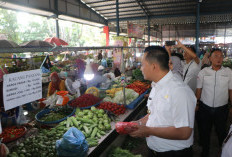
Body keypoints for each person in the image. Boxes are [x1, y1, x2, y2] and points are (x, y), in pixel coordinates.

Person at [128, 46, 196, 157]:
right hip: (155, 150)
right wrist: (139, 123)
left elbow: (184, 132)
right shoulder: (156, 86)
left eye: (142, 65)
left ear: (154, 66)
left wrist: (148, 130)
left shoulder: (179, 91)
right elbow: (154, 114)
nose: (140, 68)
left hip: (174, 153)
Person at [196, 49, 232, 157]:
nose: (219, 59)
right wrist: (197, 104)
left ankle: (224, 152)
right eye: (216, 56)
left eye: (221, 56)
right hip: (205, 107)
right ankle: (205, 151)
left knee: (221, 132)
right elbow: (199, 89)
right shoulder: (203, 72)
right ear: (210, 58)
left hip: (222, 108)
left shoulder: (228, 72)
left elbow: (231, 90)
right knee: (204, 131)